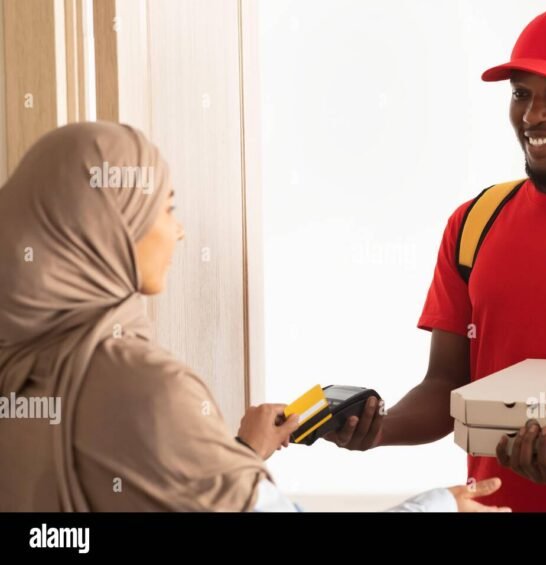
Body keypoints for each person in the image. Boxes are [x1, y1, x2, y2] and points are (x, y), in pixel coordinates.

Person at [0, 122, 509, 512]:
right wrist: (438, 505)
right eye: (165, 208)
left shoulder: (19, 368)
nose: (178, 233)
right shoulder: (144, 386)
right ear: (109, 225)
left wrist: (240, 452)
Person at [325, 5, 546, 512]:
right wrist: (378, 431)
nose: (534, 115)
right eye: (520, 94)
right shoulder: (474, 223)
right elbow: (446, 387)